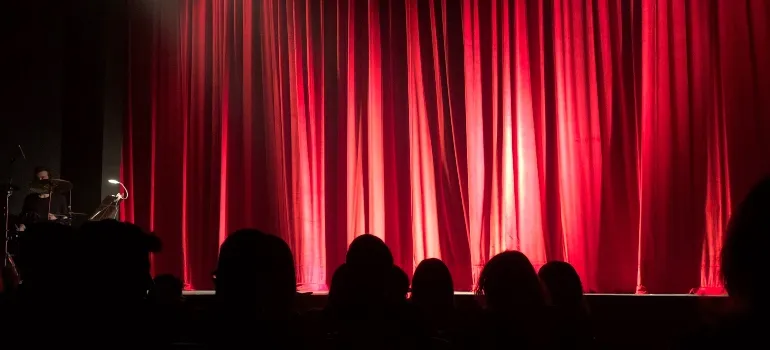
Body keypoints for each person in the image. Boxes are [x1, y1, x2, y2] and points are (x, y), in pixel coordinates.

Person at [18, 166, 67, 231]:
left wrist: (56, 218)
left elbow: (66, 218)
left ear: (50, 179)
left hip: (54, 234)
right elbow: (23, 218)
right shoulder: (30, 198)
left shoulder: (60, 199)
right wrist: (22, 225)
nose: (40, 180)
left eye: (43, 177)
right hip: (33, 234)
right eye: (38, 179)